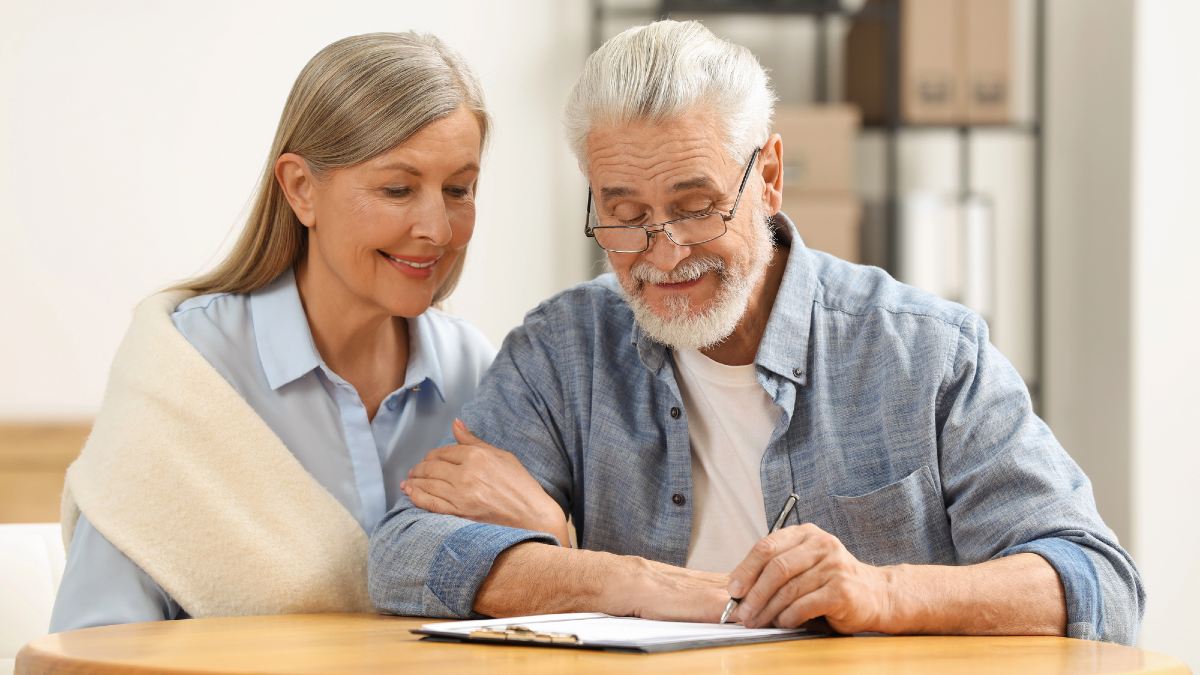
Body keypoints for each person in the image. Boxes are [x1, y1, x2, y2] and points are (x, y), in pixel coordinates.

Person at [368, 20, 1144, 644]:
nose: (662, 252)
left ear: (769, 175)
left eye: (696, 204)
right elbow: (403, 555)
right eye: (626, 215)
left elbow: (1095, 581)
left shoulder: (927, 351)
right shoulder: (565, 349)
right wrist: (630, 580)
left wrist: (883, 591)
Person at [49, 32, 530, 630]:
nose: (437, 227)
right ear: (301, 188)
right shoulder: (188, 367)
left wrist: (550, 529)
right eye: (398, 189)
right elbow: (92, 647)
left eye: (458, 190)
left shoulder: (477, 376)